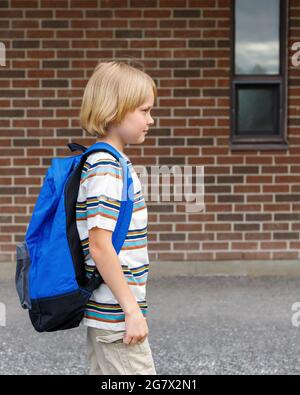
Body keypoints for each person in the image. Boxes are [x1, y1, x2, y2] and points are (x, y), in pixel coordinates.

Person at [76, 60, 157, 375]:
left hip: (108, 313)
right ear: (113, 111)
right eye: (144, 110)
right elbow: (99, 245)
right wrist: (131, 309)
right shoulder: (106, 167)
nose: (151, 119)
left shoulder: (112, 162)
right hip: (115, 315)